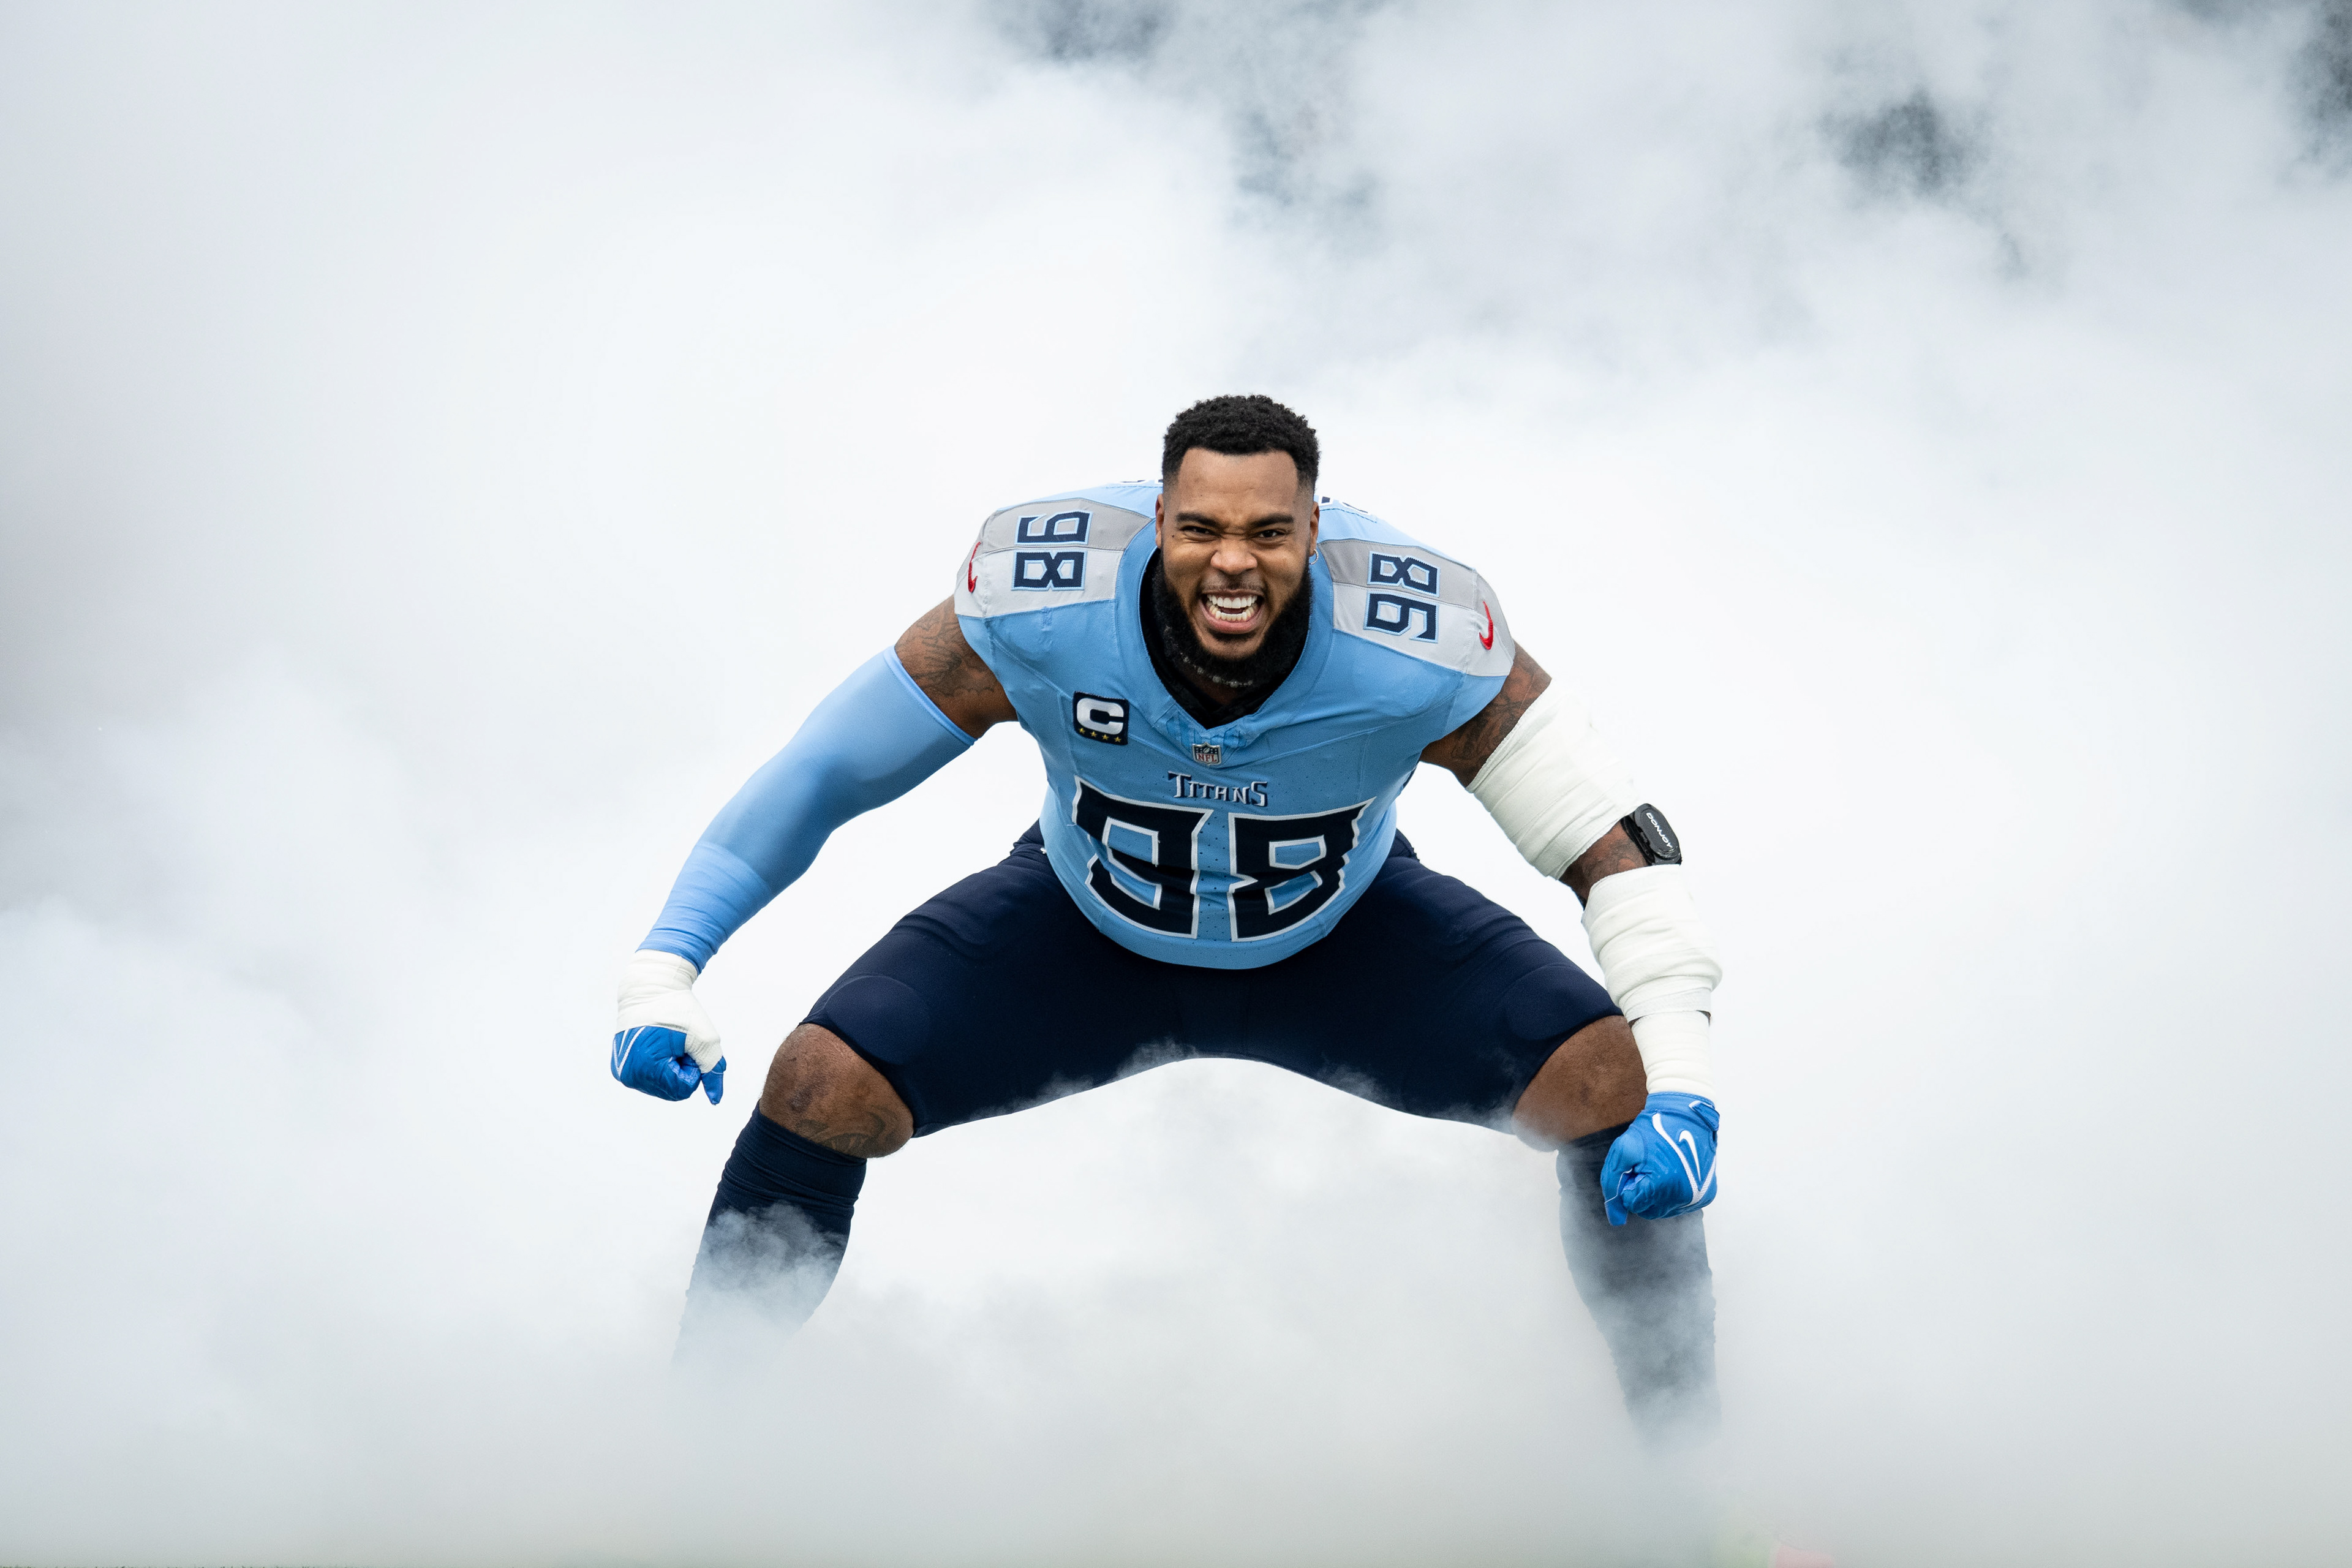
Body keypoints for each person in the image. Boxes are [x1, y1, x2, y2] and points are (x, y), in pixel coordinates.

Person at [612, 395, 1825, 1566]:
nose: (1231, 565)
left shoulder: (1420, 631)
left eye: (1268, 532)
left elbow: (1615, 841)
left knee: (1614, 1075)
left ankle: (1686, 1504)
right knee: (821, 1083)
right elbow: (825, 769)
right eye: (1199, 529)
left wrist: (1686, 1082)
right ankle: (685, 1470)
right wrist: (669, 960)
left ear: (1318, 529)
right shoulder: (1045, 594)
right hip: (1084, 931)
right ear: (1153, 521)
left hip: (1344, 945)